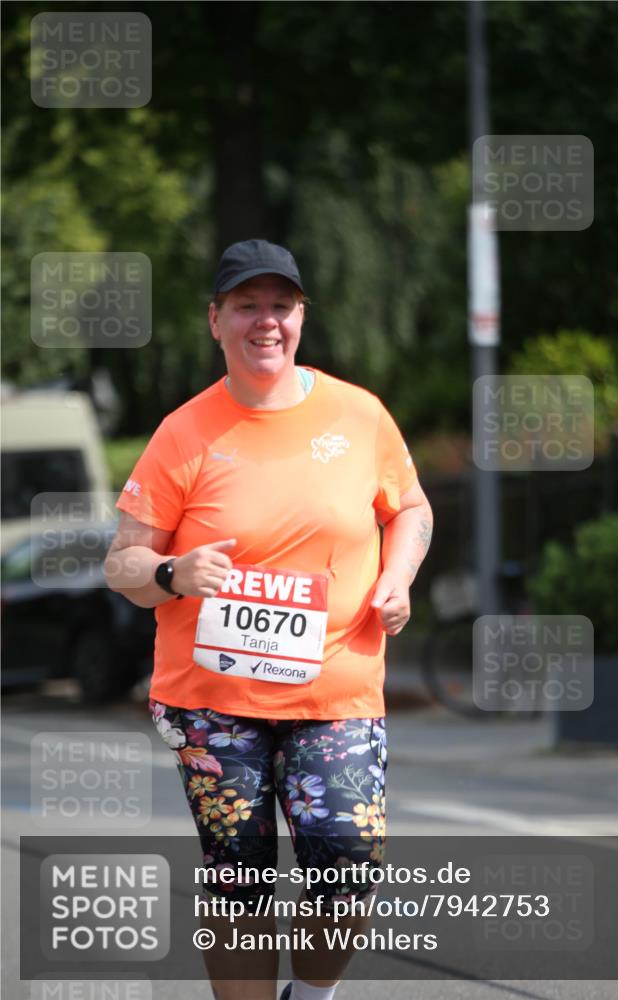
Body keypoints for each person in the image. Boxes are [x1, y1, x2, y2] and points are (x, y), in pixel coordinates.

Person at [105, 239, 433, 1000]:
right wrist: (173, 572)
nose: (266, 322)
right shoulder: (182, 434)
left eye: (280, 306)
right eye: (246, 306)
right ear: (214, 320)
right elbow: (122, 564)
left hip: (336, 693)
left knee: (348, 865)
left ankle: (309, 995)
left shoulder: (359, 414)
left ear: (301, 318)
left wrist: (397, 577)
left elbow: (408, 506)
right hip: (212, 705)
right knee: (240, 884)